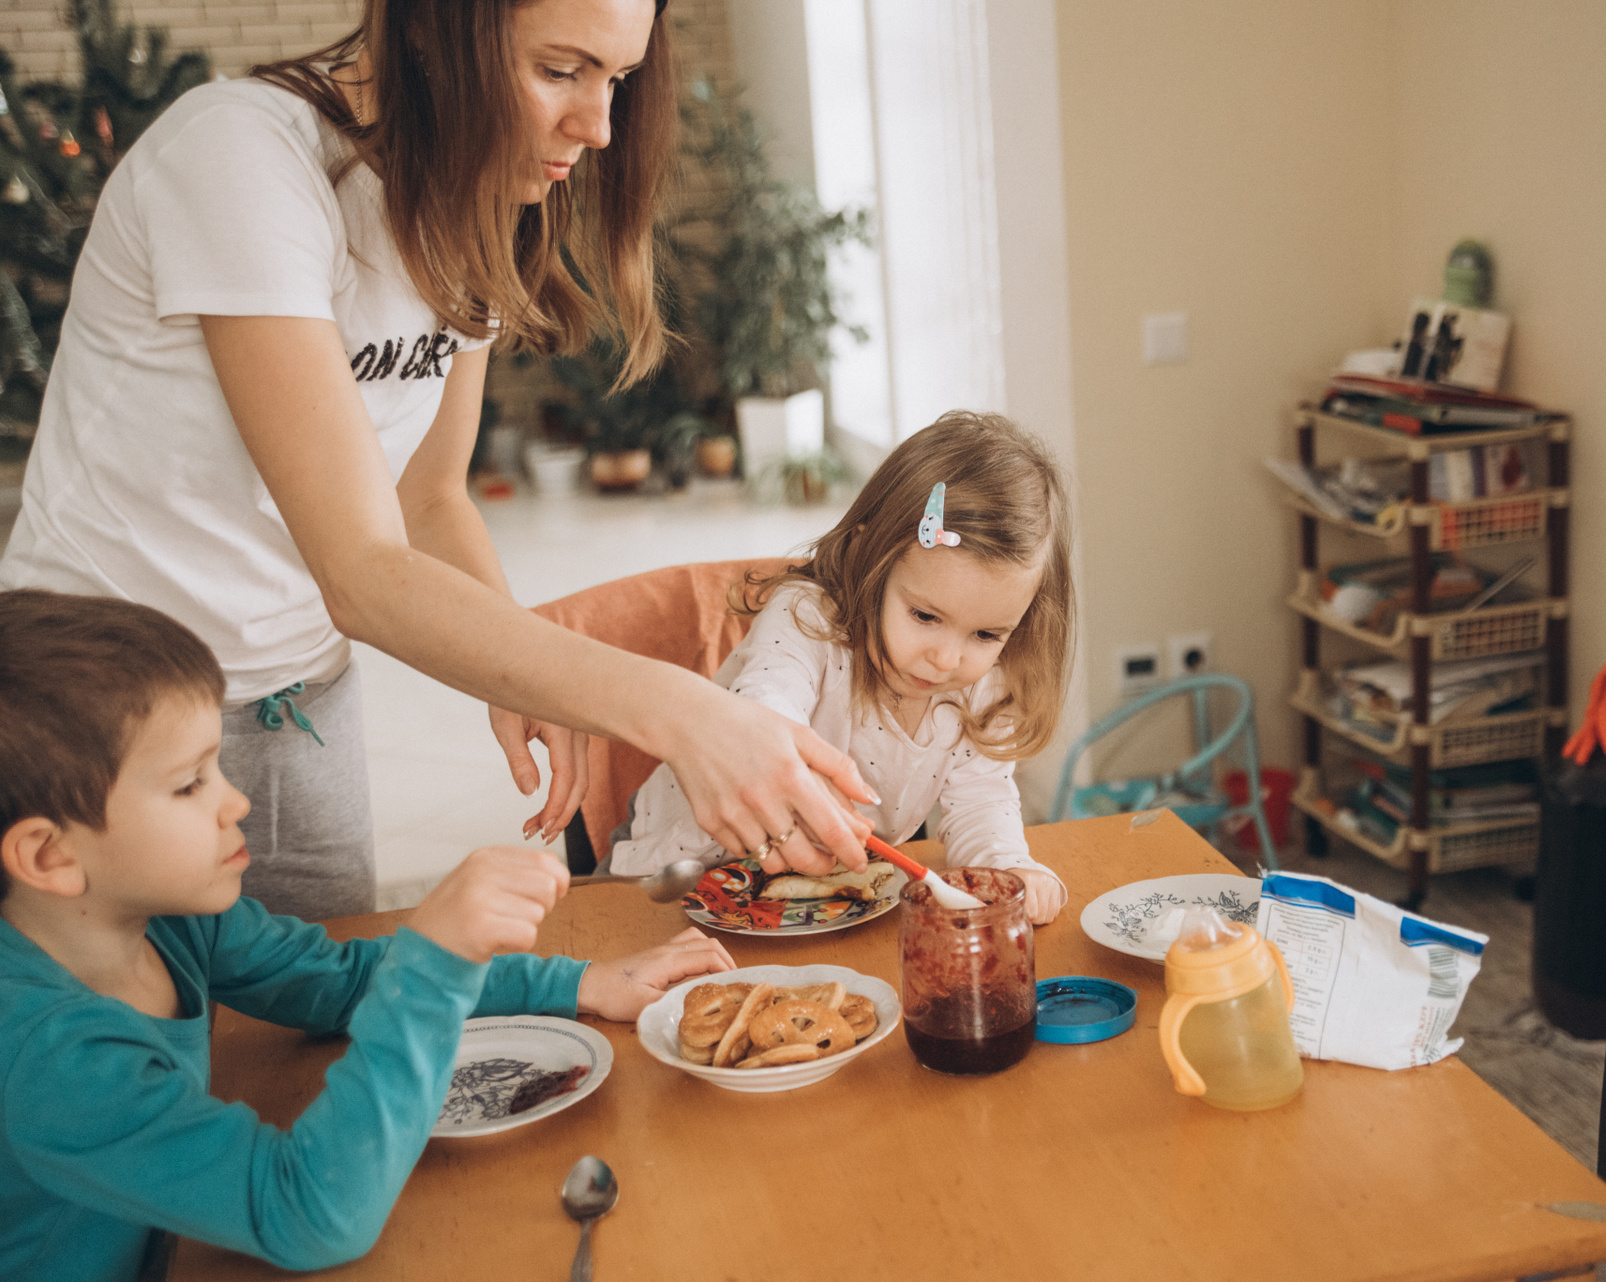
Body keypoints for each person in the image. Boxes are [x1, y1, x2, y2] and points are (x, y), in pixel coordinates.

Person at [0, 0, 873, 922]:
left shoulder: (471, 197)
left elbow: (428, 498)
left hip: (300, 701)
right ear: (430, 24)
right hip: (101, 712)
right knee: (124, 1010)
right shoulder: (240, 156)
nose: (600, 127)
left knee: (317, 999)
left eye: (617, 78)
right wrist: (684, 712)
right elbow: (362, 571)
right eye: (559, 71)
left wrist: (540, 684)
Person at [0, 589, 737, 1281]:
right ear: (49, 856)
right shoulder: (47, 1056)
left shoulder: (171, 919)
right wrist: (434, 962)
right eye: (190, 784)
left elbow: (340, 982)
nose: (237, 802)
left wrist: (579, 983)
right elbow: (309, 1215)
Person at [607, 412, 1074, 925]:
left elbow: (982, 803)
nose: (946, 660)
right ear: (867, 555)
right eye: (924, 616)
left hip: (808, 904)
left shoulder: (986, 685)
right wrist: (798, 779)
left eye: (986, 635)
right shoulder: (807, 618)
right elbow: (763, 709)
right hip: (672, 871)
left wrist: (1008, 870)